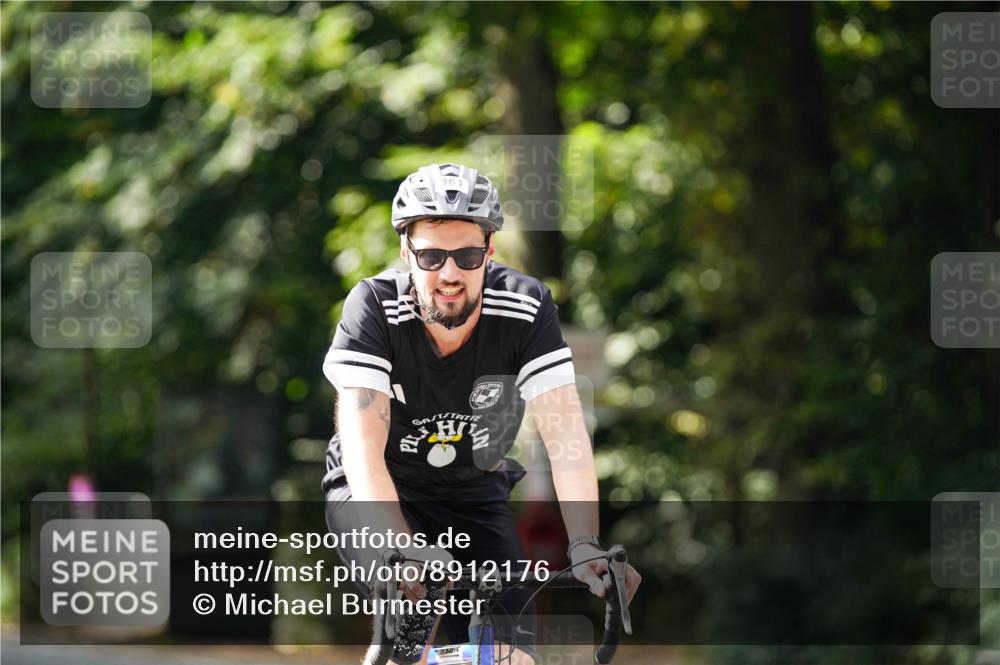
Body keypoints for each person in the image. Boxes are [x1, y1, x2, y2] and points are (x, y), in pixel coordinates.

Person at [322, 163, 640, 665]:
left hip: (473, 494)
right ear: (407, 252)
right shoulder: (374, 309)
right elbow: (364, 450)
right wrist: (401, 546)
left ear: (488, 252)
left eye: (467, 256)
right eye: (431, 256)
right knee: (410, 625)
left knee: (512, 655)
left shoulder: (526, 307)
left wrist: (584, 543)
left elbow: (566, 438)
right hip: (380, 490)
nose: (449, 274)